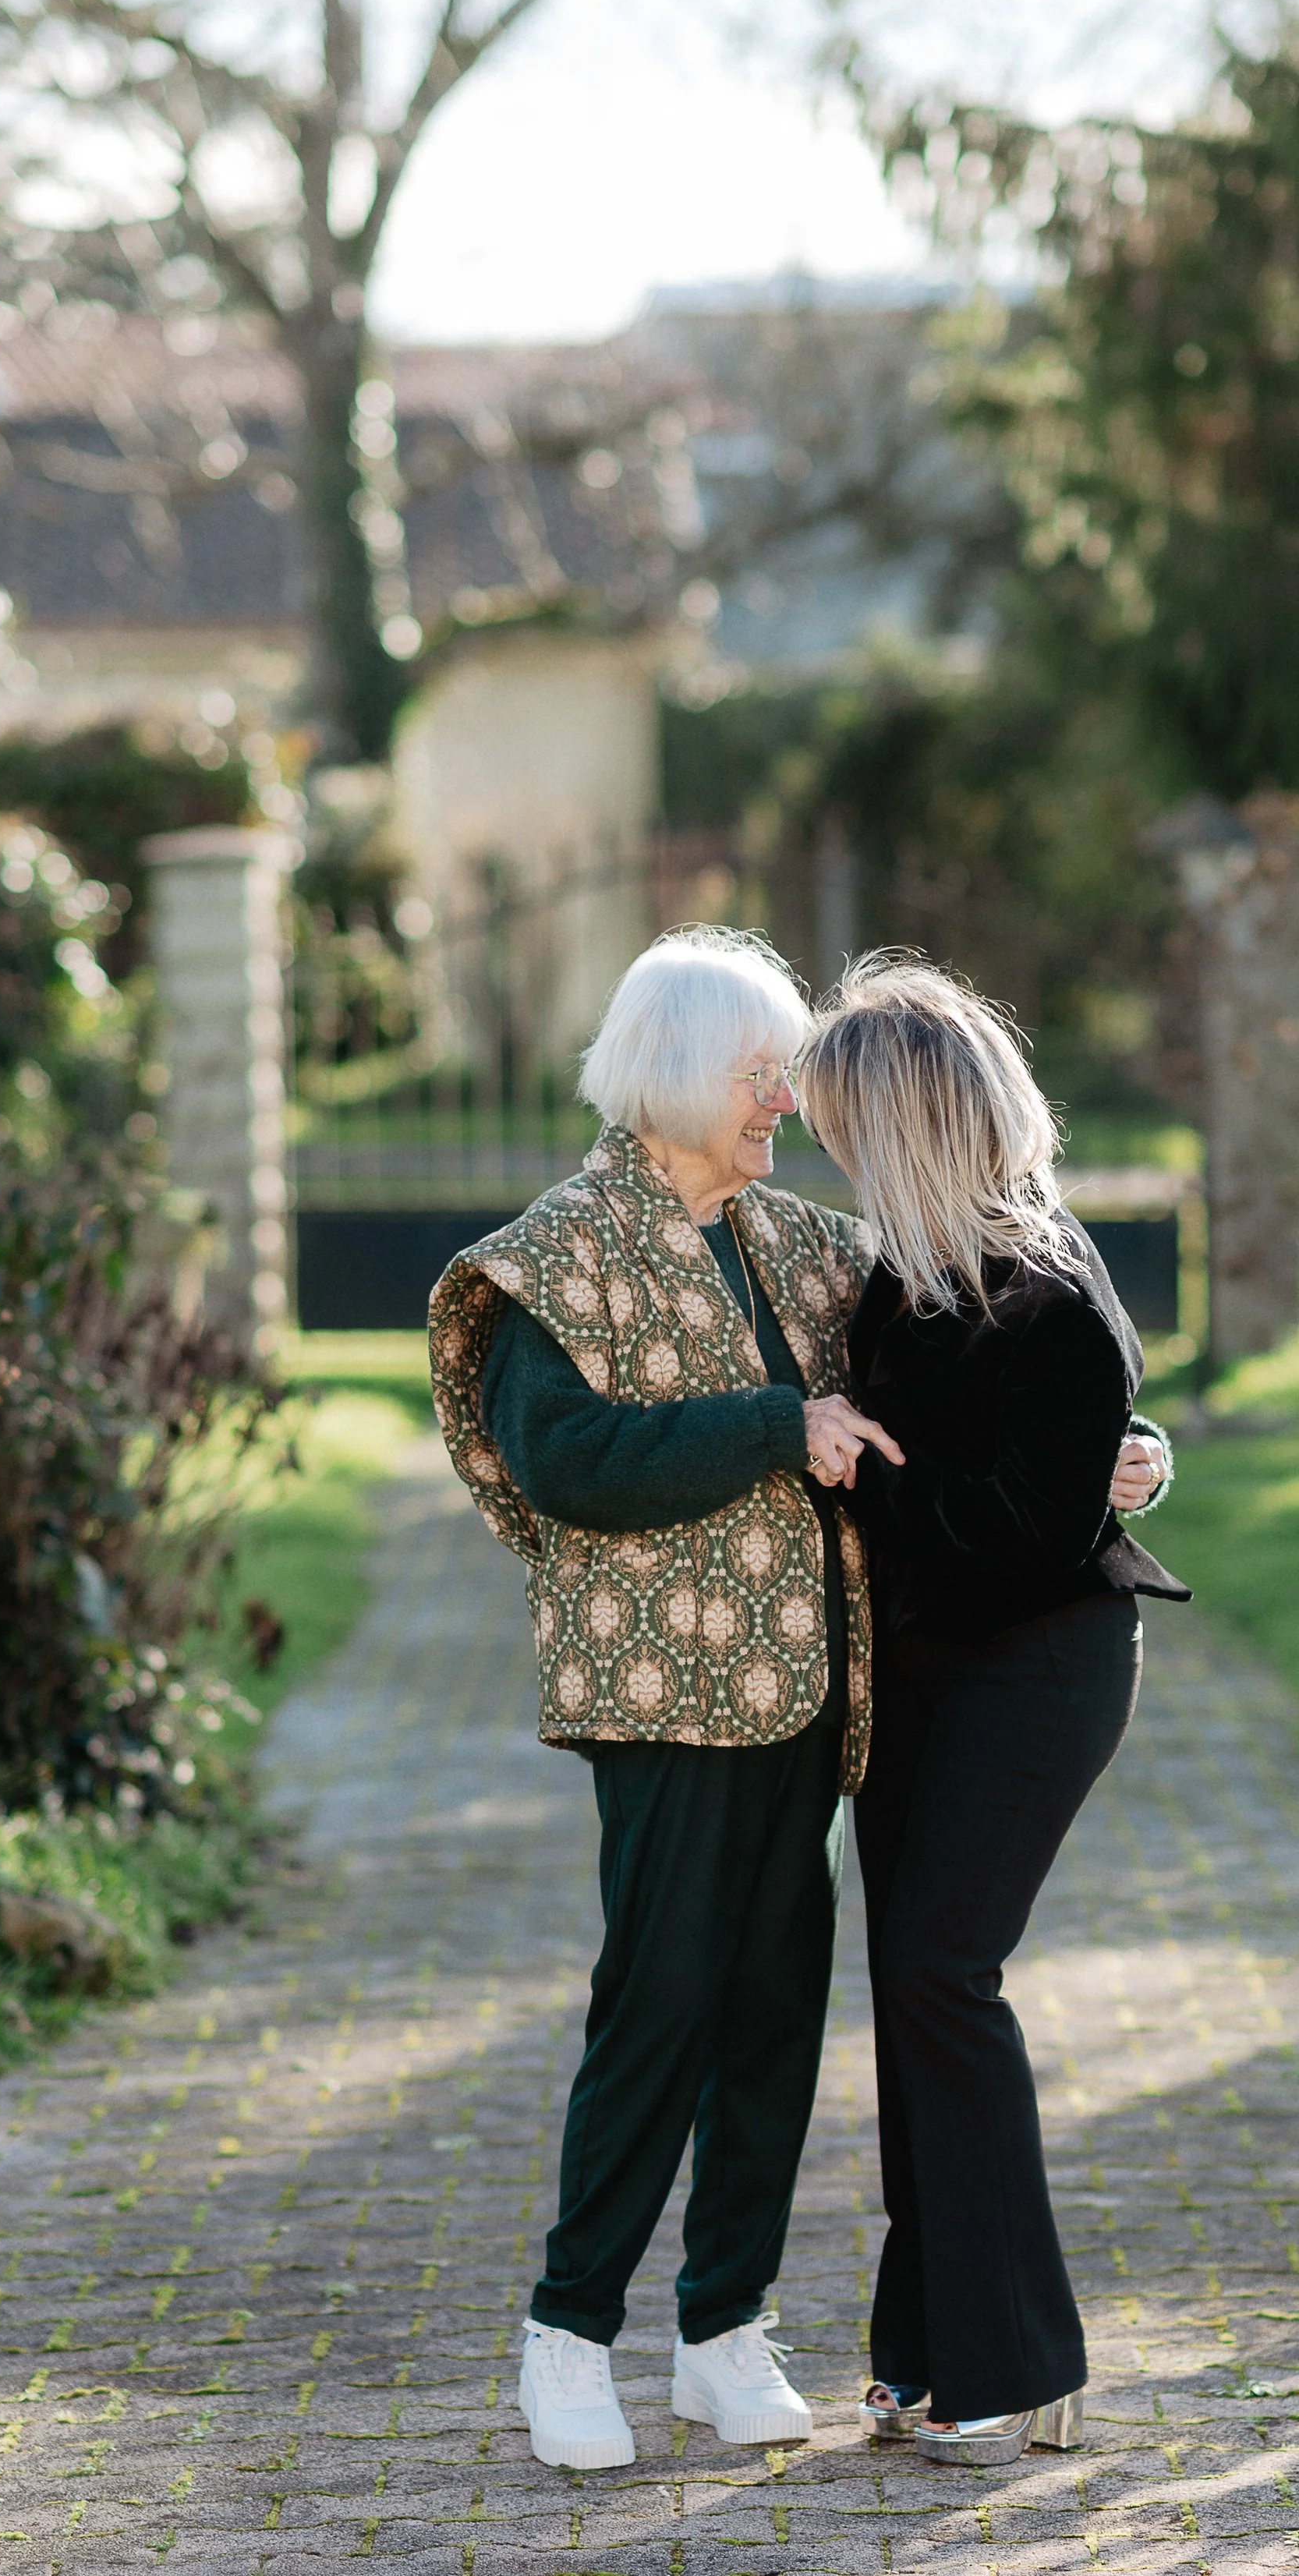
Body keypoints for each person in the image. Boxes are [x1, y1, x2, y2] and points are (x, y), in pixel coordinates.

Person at [428, 929, 901, 2472]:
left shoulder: (802, 1244)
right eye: (759, 1072)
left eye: (786, 1072)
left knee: (771, 2014)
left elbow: (943, 1379)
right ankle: (567, 2337)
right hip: (665, 1698)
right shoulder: (551, 1257)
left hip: (807, 1693)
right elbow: (571, 1464)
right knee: (661, 2008)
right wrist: (775, 1422)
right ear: (675, 1071)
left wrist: (1111, 1448)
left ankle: (721, 2330)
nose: (783, 1100)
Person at [795, 953, 1185, 2467]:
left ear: (904, 1122)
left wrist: (846, 1466)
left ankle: (1018, 2364)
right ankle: (924, 2348)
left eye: (842, 1117)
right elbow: (975, 1471)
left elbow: (1016, 1530)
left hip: (1036, 1665)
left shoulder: (1049, 1290)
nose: (826, 1144)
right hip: (920, 1666)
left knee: (946, 1975)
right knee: (907, 1987)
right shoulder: (900, 1268)